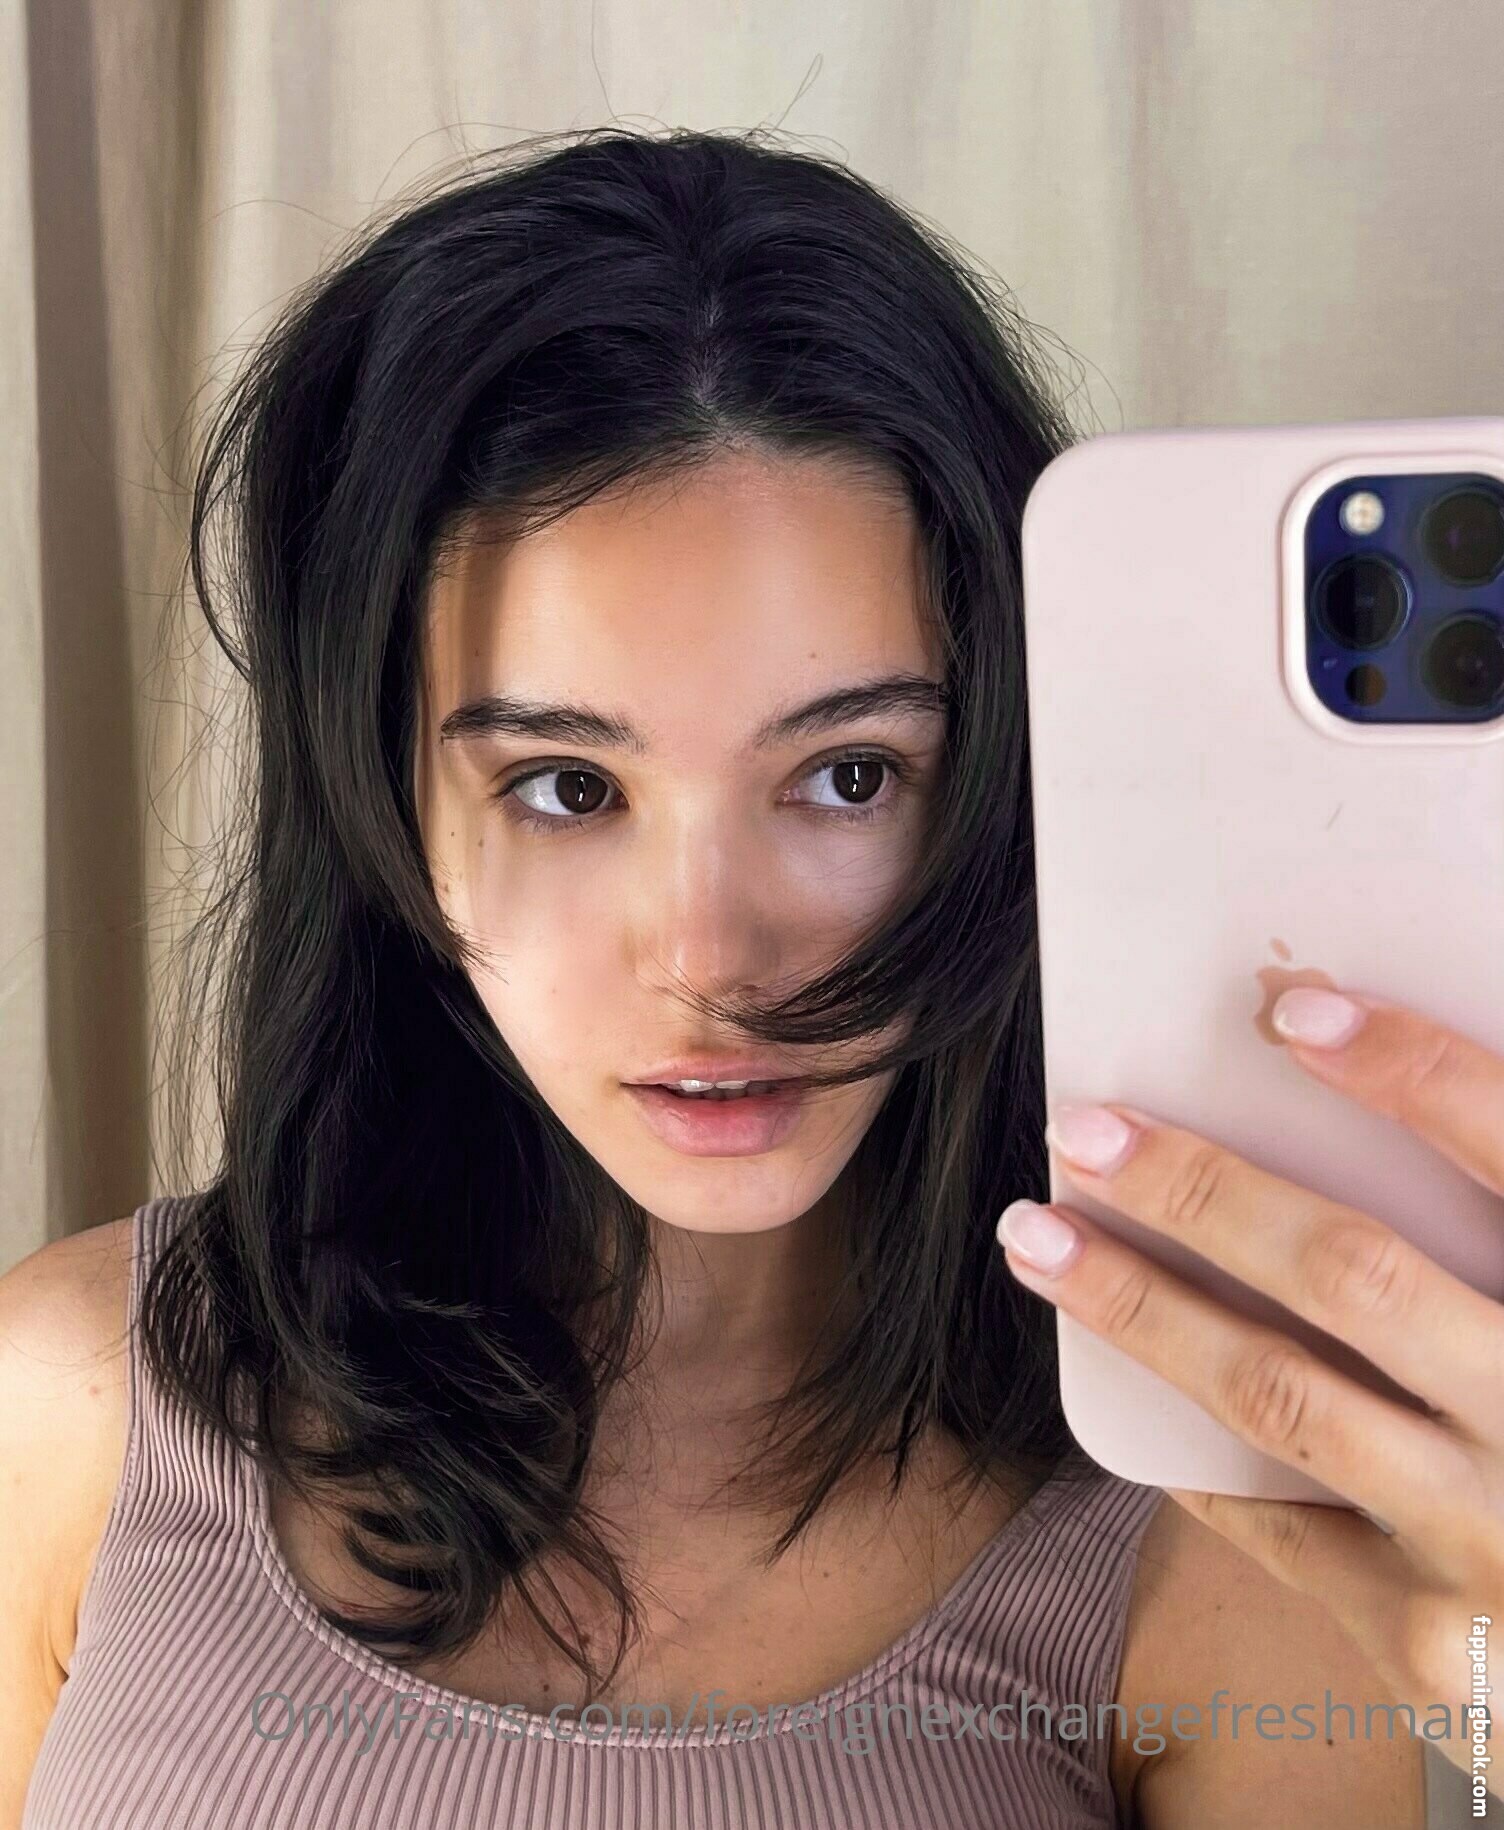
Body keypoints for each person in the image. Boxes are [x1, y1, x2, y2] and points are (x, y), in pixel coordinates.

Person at [1, 128, 1444, 1828]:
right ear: (385, 803)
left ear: (999, 780)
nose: (709, 960)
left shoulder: (1218, 1530)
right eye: (568, 786)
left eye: (847, 775)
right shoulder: (72, 1402)